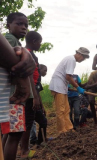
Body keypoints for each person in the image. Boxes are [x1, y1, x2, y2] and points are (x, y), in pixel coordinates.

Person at [1, 12, 34, 160]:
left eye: (26, 25)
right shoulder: (10, 39)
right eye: (19, 24)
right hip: (14, 96)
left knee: (10, 133)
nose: (23, 27)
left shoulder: (14, 41)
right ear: (8, 25)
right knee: (15, 135)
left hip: (11, 97)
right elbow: (15, 65)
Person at [49, 47, 89, 134]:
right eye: (83, 58)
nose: (83, 60)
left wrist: (73, 87)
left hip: (62, 87)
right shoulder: (71, 60)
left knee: (66, 109)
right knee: (61, 110)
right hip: (58, 86)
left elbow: (67, 77)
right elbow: (68, 76)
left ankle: (69, 128)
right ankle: (62, 131)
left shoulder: (70, 59)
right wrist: (78, 87)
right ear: (80, 54)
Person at [29, 63, 48, 146]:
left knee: (42, 121)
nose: (46, 72)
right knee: (31, 124)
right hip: (31, 103)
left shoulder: (38, 80)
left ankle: (40, 141)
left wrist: (42, 106)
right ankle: (35, 142)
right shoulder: (35, 77)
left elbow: (38, 93)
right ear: (39, 70)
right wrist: (35, 100)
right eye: (45, 70)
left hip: (36, 104)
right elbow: (34, 91)